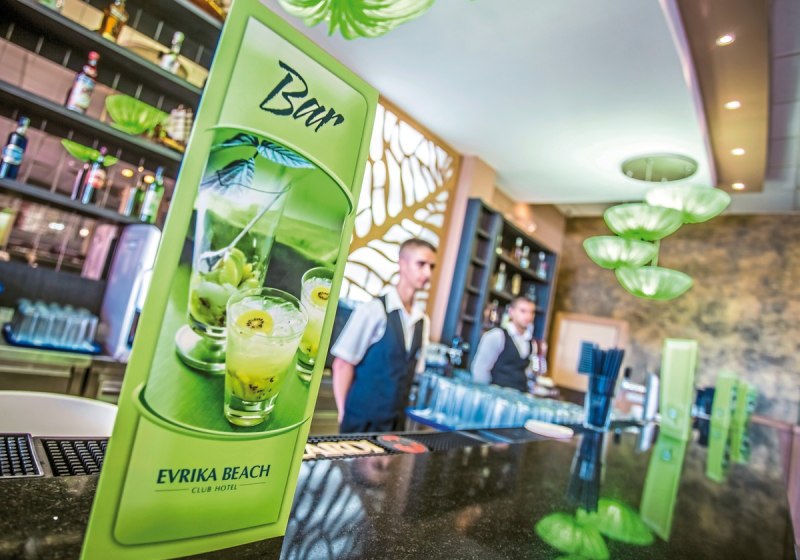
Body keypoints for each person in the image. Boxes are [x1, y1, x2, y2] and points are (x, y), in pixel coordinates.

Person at [331, 238, 436, 433]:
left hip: (395, 425)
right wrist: (344, 413)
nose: (428, 273)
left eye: (431, 267)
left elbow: (413, 372)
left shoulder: (422, 321)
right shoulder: (374, 310)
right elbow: (342, 364)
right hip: (361, 422)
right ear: (402, 264)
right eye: (421, 264)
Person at [471, 296, 537, 392]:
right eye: (523, 311)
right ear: (511, 312)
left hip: (519, 396)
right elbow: (480, 370)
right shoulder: (497, 335)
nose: (528, 316)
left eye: (532, 312)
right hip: (496, 394)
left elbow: (528, 372)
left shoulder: (532, 343)